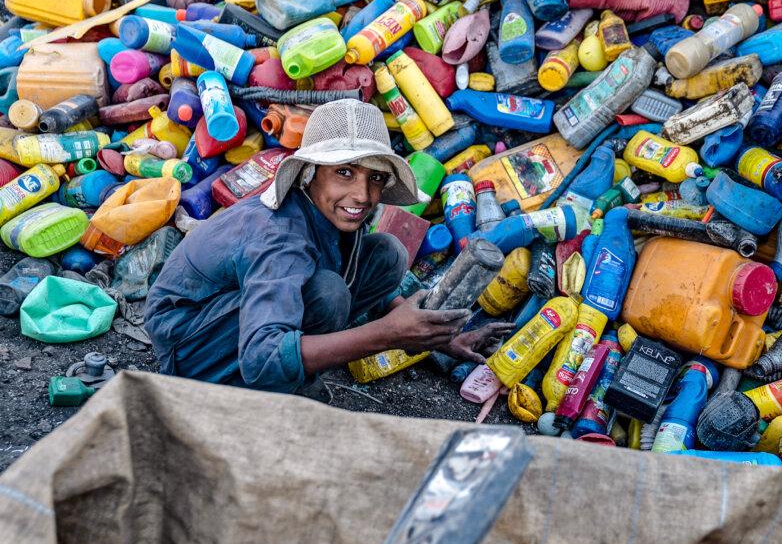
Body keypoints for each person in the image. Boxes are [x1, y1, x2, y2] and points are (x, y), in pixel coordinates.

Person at [144, 99, 511, 394]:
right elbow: (260, 355)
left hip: (228, 319)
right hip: (187, 347)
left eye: (376, 178)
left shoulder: (334, 212)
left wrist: (441, 337)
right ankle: (260, 394)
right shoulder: (280, 237)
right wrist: (386, 335)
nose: (362, 195)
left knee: (388, 253)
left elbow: (377, 292)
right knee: (327, 293)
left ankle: (296, 363)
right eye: (345, 172)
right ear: (310, 172)